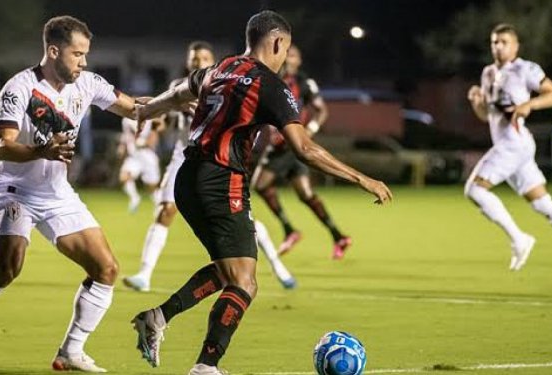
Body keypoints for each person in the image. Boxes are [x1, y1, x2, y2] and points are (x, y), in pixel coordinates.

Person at [131, 10, 392, 375]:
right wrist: (364, 178)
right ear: (277, 42)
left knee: (231, 269)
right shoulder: (269, 84)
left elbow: (176, 93)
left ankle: (158, 317)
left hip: (188, 177)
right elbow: (305, 149)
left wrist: (145, 111)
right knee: (245, 282)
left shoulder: (219, 68)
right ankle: (206, 366)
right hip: (222, 180)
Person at [0, 16, 142, 373]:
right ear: (54, 51)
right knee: (6, 269)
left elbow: (136, 108)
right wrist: (40, 151)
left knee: (106, 268)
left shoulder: (87, 83)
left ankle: (70, 352)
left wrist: (183, 99)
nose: (84, 62)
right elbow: (2, 147)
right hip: (16, 190)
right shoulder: (19, 88)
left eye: (86, 54)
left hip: (57, 192)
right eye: (78, 54)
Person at [123, 41, 297, 293]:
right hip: (182, 157)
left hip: (217, 158)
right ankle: (145, 274)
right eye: (193, 58)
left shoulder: (224, 83)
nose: (197, 62)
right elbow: (169, 116)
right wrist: (158, 121)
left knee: (239, 221)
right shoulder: (180, 86)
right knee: (164, 211)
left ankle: (278, 266)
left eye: (203, 58)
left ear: (212, 60)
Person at [465, 23, 552, 278]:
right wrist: (477, 103)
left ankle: (520, 239)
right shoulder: (487, 74)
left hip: (514, 144)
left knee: (474, 189)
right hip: (509, 146)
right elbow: (487, 116)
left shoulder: (525, 69)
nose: (498, 46)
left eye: (504, 42)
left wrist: (530, 104)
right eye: (494, 42)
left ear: (516, 46)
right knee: (542, 203)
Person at [252, 44, 351, 258]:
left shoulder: (304, 83)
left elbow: (321, 110)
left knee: (259, 185)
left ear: (299, 60)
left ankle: (290, 230)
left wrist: (309, 131)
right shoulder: (273, 79)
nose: (289, 58)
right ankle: (338, 236)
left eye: (293, 55)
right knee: (306, 195)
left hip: (287, 147)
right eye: (286, 54)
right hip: (284, 145)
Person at [118, 116, 162, 213]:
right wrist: (122, 146)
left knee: (151, 187)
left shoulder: (150, 119)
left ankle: (159, 204)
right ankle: (135, 198)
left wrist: (144, 142)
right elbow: (126, 135)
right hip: (134, 156)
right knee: (124, 177)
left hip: (147, 155)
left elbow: (155, 136)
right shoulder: (126, 120)